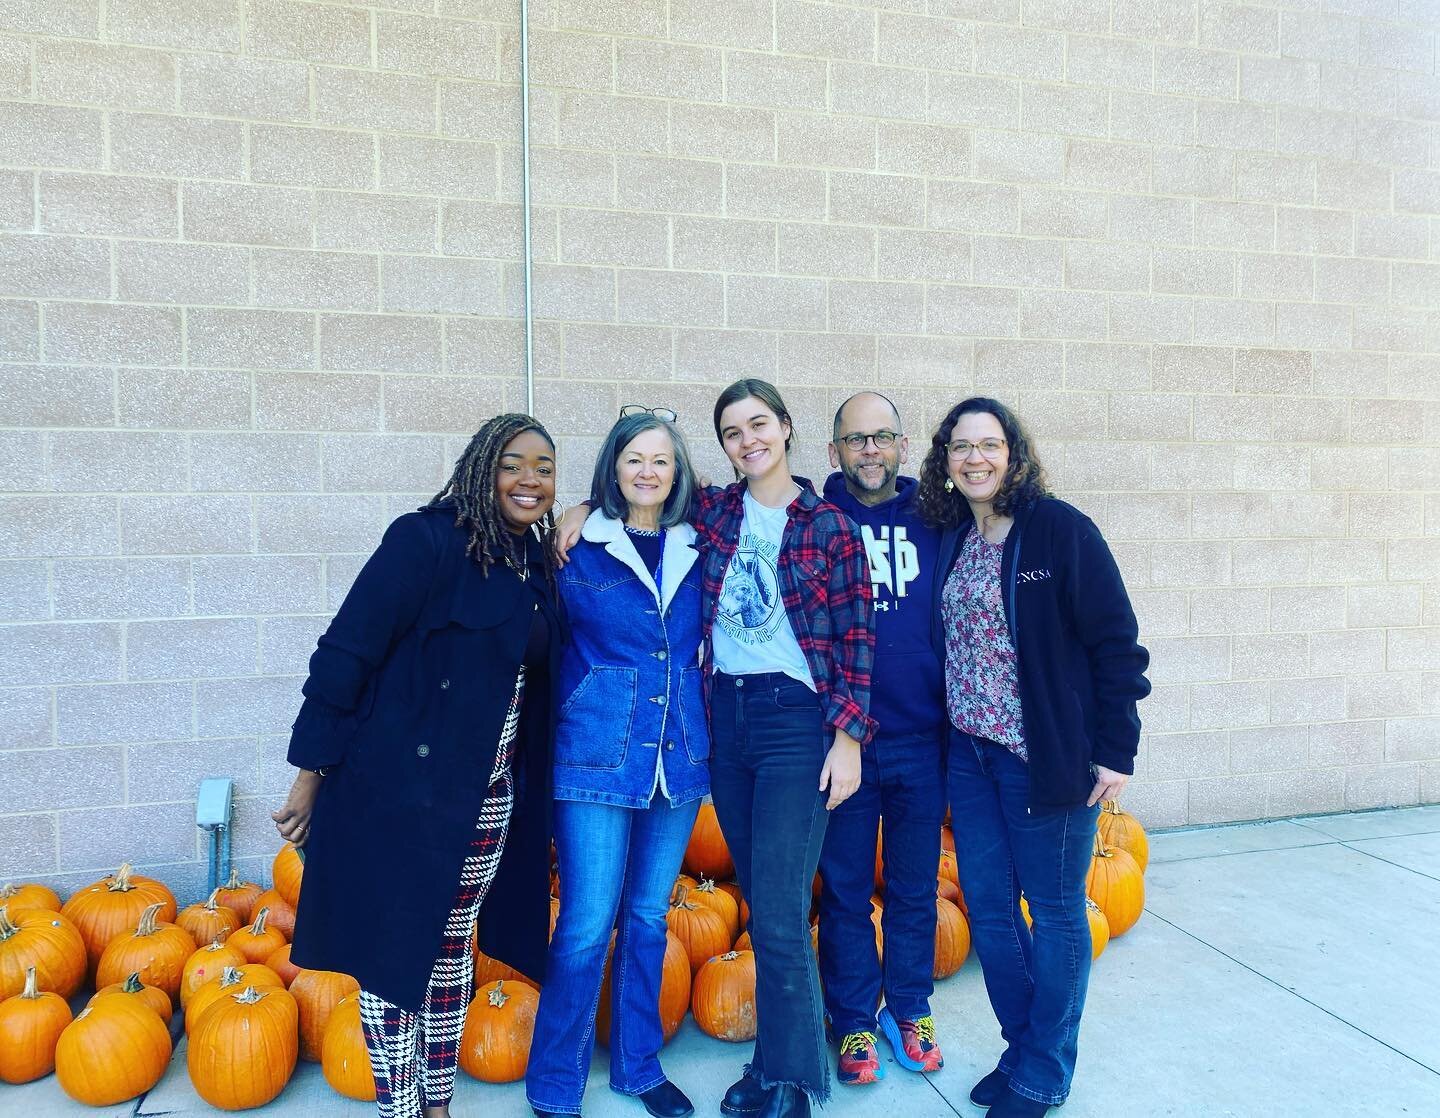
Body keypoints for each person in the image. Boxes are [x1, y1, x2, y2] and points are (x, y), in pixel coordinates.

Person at [557, 379, 876, 1118]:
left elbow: (859, 640)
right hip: (724, 719)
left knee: (779, 907)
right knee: (765, 899)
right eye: (732, 432)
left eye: (759, 425)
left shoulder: (827, 526)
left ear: (787, 429)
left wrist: (849, 736)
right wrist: (579, 508)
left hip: (795, 720)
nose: (747, 441)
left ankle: (790, 1081)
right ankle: (773, 1067)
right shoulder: (716, 512)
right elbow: (637, 504)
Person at [273, 414, 565, 1118]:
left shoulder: (536, 561)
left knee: (449, 947)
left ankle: (436, 1105)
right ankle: (400, 1110)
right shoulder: (424, 541)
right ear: (480, 467)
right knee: (394, 955)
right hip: (398, 795)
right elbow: (345, 655)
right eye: (513, 463)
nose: (530, 479)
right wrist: (310, 774)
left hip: (487, 798)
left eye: (546, 467)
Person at [917, 397, 1150, 1118]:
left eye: (989, 445)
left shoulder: (1060, 531)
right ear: (944, 460)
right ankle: (1023, 1050)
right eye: (961, 447)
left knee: (1053, 914)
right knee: (988, 912)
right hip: (973, 758)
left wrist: (1116, 749)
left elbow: (1117, 643)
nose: (974, 458)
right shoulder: (955, 534)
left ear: (1014, 455)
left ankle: (1046, 1070)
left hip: (1046, 761)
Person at [526, 409, 708, 1118]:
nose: (647, 471)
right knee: (585, 923)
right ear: (613, 467)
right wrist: (574, 510)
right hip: (597, 755)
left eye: (661, 460)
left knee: (648, 919)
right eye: (634, 458)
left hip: (678, 756)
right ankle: (555, 1083)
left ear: (677, 472)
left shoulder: (703, 543)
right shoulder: (577, 545)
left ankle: (638, 1067)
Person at [815, 391, 947, 1085]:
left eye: (884, 437)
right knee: (842, 892)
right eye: (857, 439)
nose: (871, 449)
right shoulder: (813, 518)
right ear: (834, 450)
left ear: (902, 446)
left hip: (922, 739)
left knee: (914, 888)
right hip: (845, 745)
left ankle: (911, 1006)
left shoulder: (936, 518)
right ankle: (855, 1021)